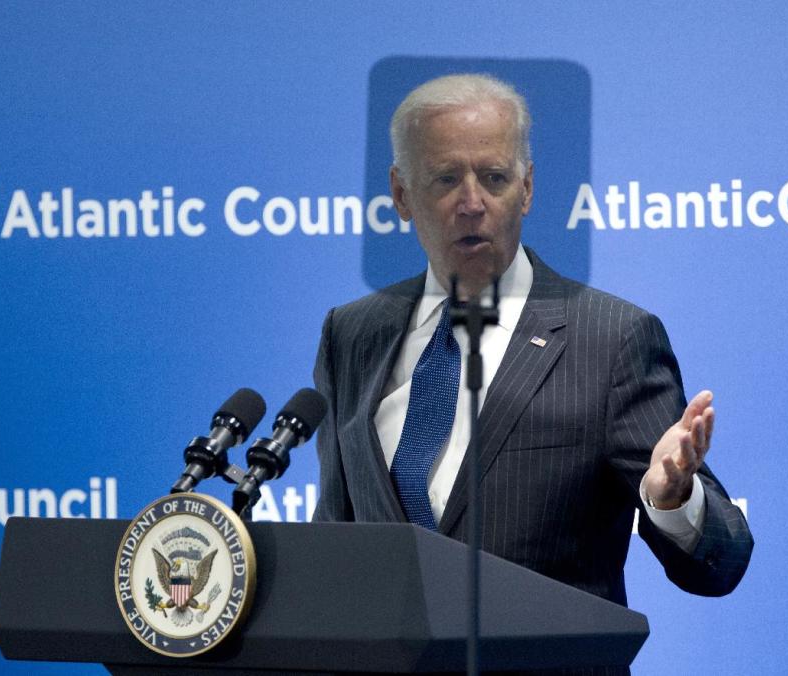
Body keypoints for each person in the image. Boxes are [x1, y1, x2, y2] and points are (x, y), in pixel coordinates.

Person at [311, 74, 752, 611]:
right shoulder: (350, 335)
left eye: (494, 178)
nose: (472, 203)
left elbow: (723, 561)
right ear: (402, 194)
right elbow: (335, 538)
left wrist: (673, 499)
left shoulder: (610, 338)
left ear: (527, 188)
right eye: (446, 178)